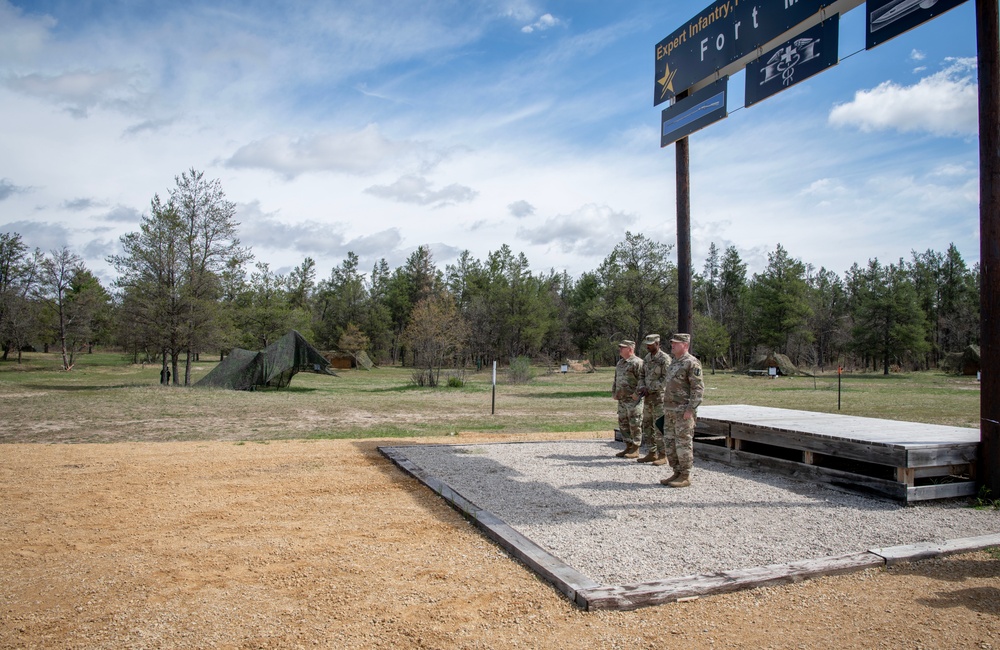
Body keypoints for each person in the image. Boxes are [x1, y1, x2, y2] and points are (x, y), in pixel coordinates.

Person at [659, 333, 704, 488]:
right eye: (672, 343)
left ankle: (685, 475)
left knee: (683, 443)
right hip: (670, 410)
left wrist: (690, 409)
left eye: (676, 343)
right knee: (670, 443)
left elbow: (697, 389)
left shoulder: (692, 363)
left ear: (685, 345)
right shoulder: (674, 362)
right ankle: (676, 472)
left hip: (683, 411)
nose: (672, 345)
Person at [636, 334, 670, 465]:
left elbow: (666, 379)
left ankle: (663, 454)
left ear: (657, 343)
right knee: (647, 425)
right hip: (648, 398)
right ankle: (651, 452)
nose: (647, 346)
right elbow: (642, 375)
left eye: (650, 343)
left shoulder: (664, 359)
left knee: (659, 426)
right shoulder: (647, 358)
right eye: (647, 343)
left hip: (659, 398)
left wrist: (651, 388)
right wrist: (642, 386)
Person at [612, 340, 643, 459]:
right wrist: (614, 392)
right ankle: (628, 446)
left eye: (623, 347)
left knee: (635, 423)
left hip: (633, 400)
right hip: (622, 399)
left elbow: (642, 380)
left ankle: (635, 448)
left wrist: (637, 394)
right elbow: (616, 379)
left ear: (630, 349)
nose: (620, 349)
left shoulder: (637, 362)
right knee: (623, 423)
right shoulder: (620, 363)